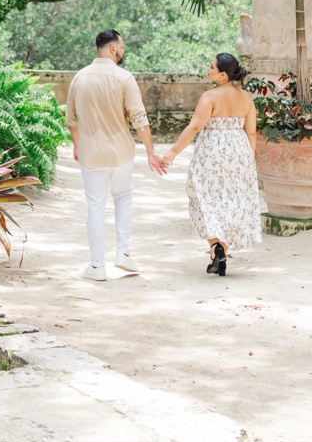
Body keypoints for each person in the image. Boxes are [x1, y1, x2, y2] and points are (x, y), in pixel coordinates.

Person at [65, 28, 166, 281]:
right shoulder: (124, 78)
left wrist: (77, 145)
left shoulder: (79, 78)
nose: (122, 51)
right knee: (123, 198)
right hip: (121, 152)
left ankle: (97, 267)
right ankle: (124, 254)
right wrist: (151, 151)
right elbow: (139, 118)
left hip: (91, 153)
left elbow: (71, 119)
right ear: (113, 48)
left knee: (95, 207)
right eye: (121, 47)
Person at [159, 52, 262, 275]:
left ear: (223, 75)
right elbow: (251, 132)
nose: (208, 69)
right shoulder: (246, 98)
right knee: (233, 201)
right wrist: (248, 159)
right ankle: (220, 250)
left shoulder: (209, 97)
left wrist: (172, 152)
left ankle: (215, 247)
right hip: (240, 151)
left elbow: (195, 127)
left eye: (211, 67)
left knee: (205, 197)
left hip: (212, 152)